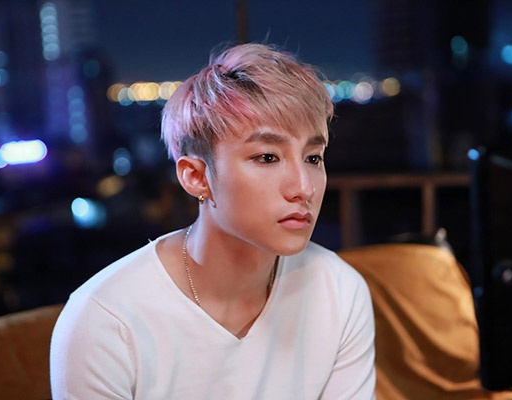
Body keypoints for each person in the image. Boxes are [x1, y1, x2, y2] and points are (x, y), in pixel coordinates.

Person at [50, 42, 376, 399]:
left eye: (313, 158)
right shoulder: (106, 321)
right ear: (196, 177)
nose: (303, 188)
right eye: (267, 157)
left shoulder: (339, 291)